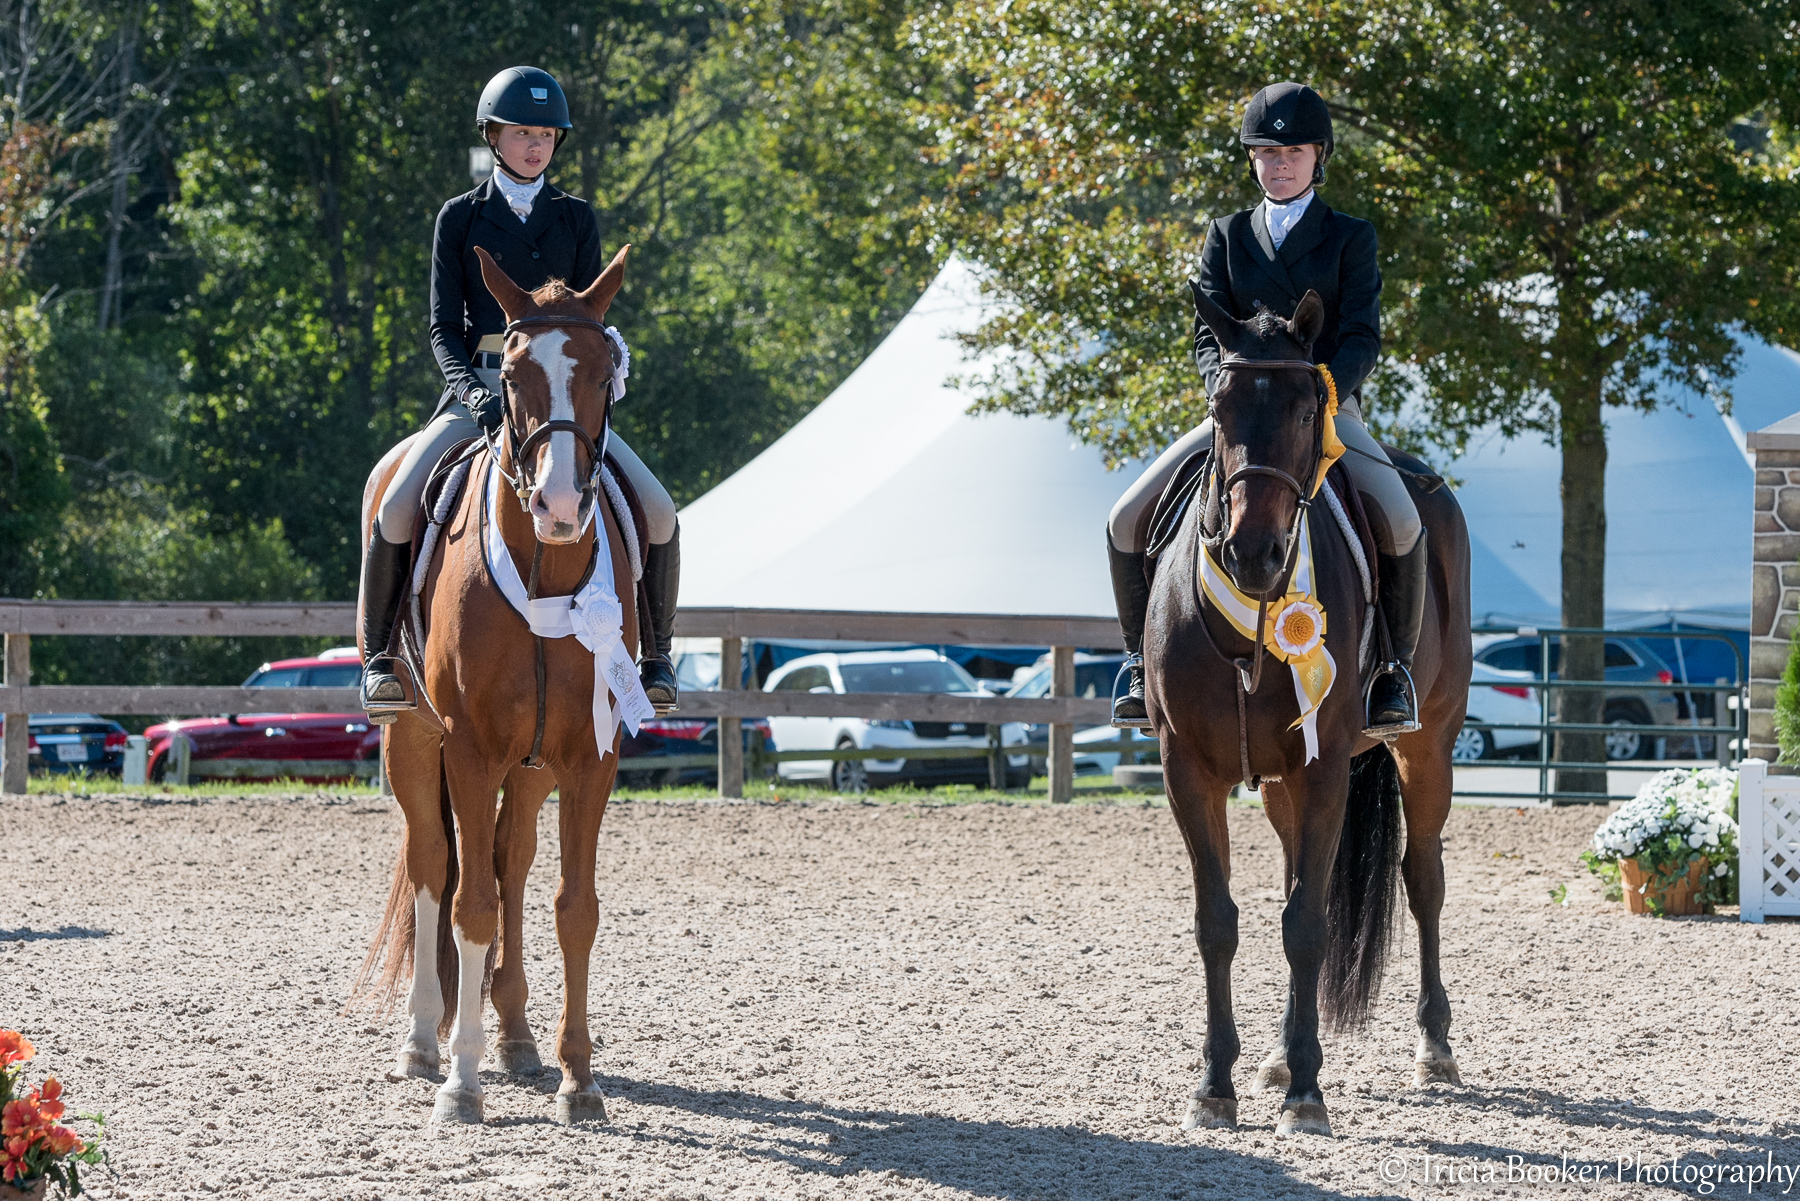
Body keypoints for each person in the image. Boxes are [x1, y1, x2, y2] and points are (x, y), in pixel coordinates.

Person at [358, 65, 682, 722]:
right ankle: (380, 660)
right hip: (477, 390)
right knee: (395, 505)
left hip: (559, 406)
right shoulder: (460, 217)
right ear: (494, 136)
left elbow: (592, 314)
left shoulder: (575, 219)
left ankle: (656, 656)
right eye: (520, 132)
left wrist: (609, 353)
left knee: (659, 511)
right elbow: (443, 327)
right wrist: (471, 398)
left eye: (544, 134)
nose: (534, 145)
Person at [1106, 82, 1426, 735]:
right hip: (1240, 419)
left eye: (1294, 152)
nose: (1280, 164)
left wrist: (1327, 390)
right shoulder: (1225, 235)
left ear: (1318, 158)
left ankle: (1392, 671)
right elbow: (1206, 333)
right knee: (1124, 519)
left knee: (1403, 518)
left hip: (1326, 411)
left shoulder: (1349, 237)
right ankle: (1141, 664)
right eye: (1267, 152)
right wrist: (1220, 389)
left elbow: (1362, 333)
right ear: (1252, 159)